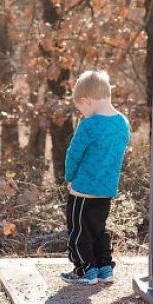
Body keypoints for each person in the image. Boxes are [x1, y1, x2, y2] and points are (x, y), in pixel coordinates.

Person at [61, 70, 131, 285]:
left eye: (81, 108)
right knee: (99, 230)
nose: (82, 113)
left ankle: (84, 270)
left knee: (79, 231)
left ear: (86, 100)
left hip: (83, 190)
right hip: (106, 189)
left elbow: (73, 153)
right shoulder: (123, 123)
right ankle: (104, 268)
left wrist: (69, 178)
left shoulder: (88, 125)